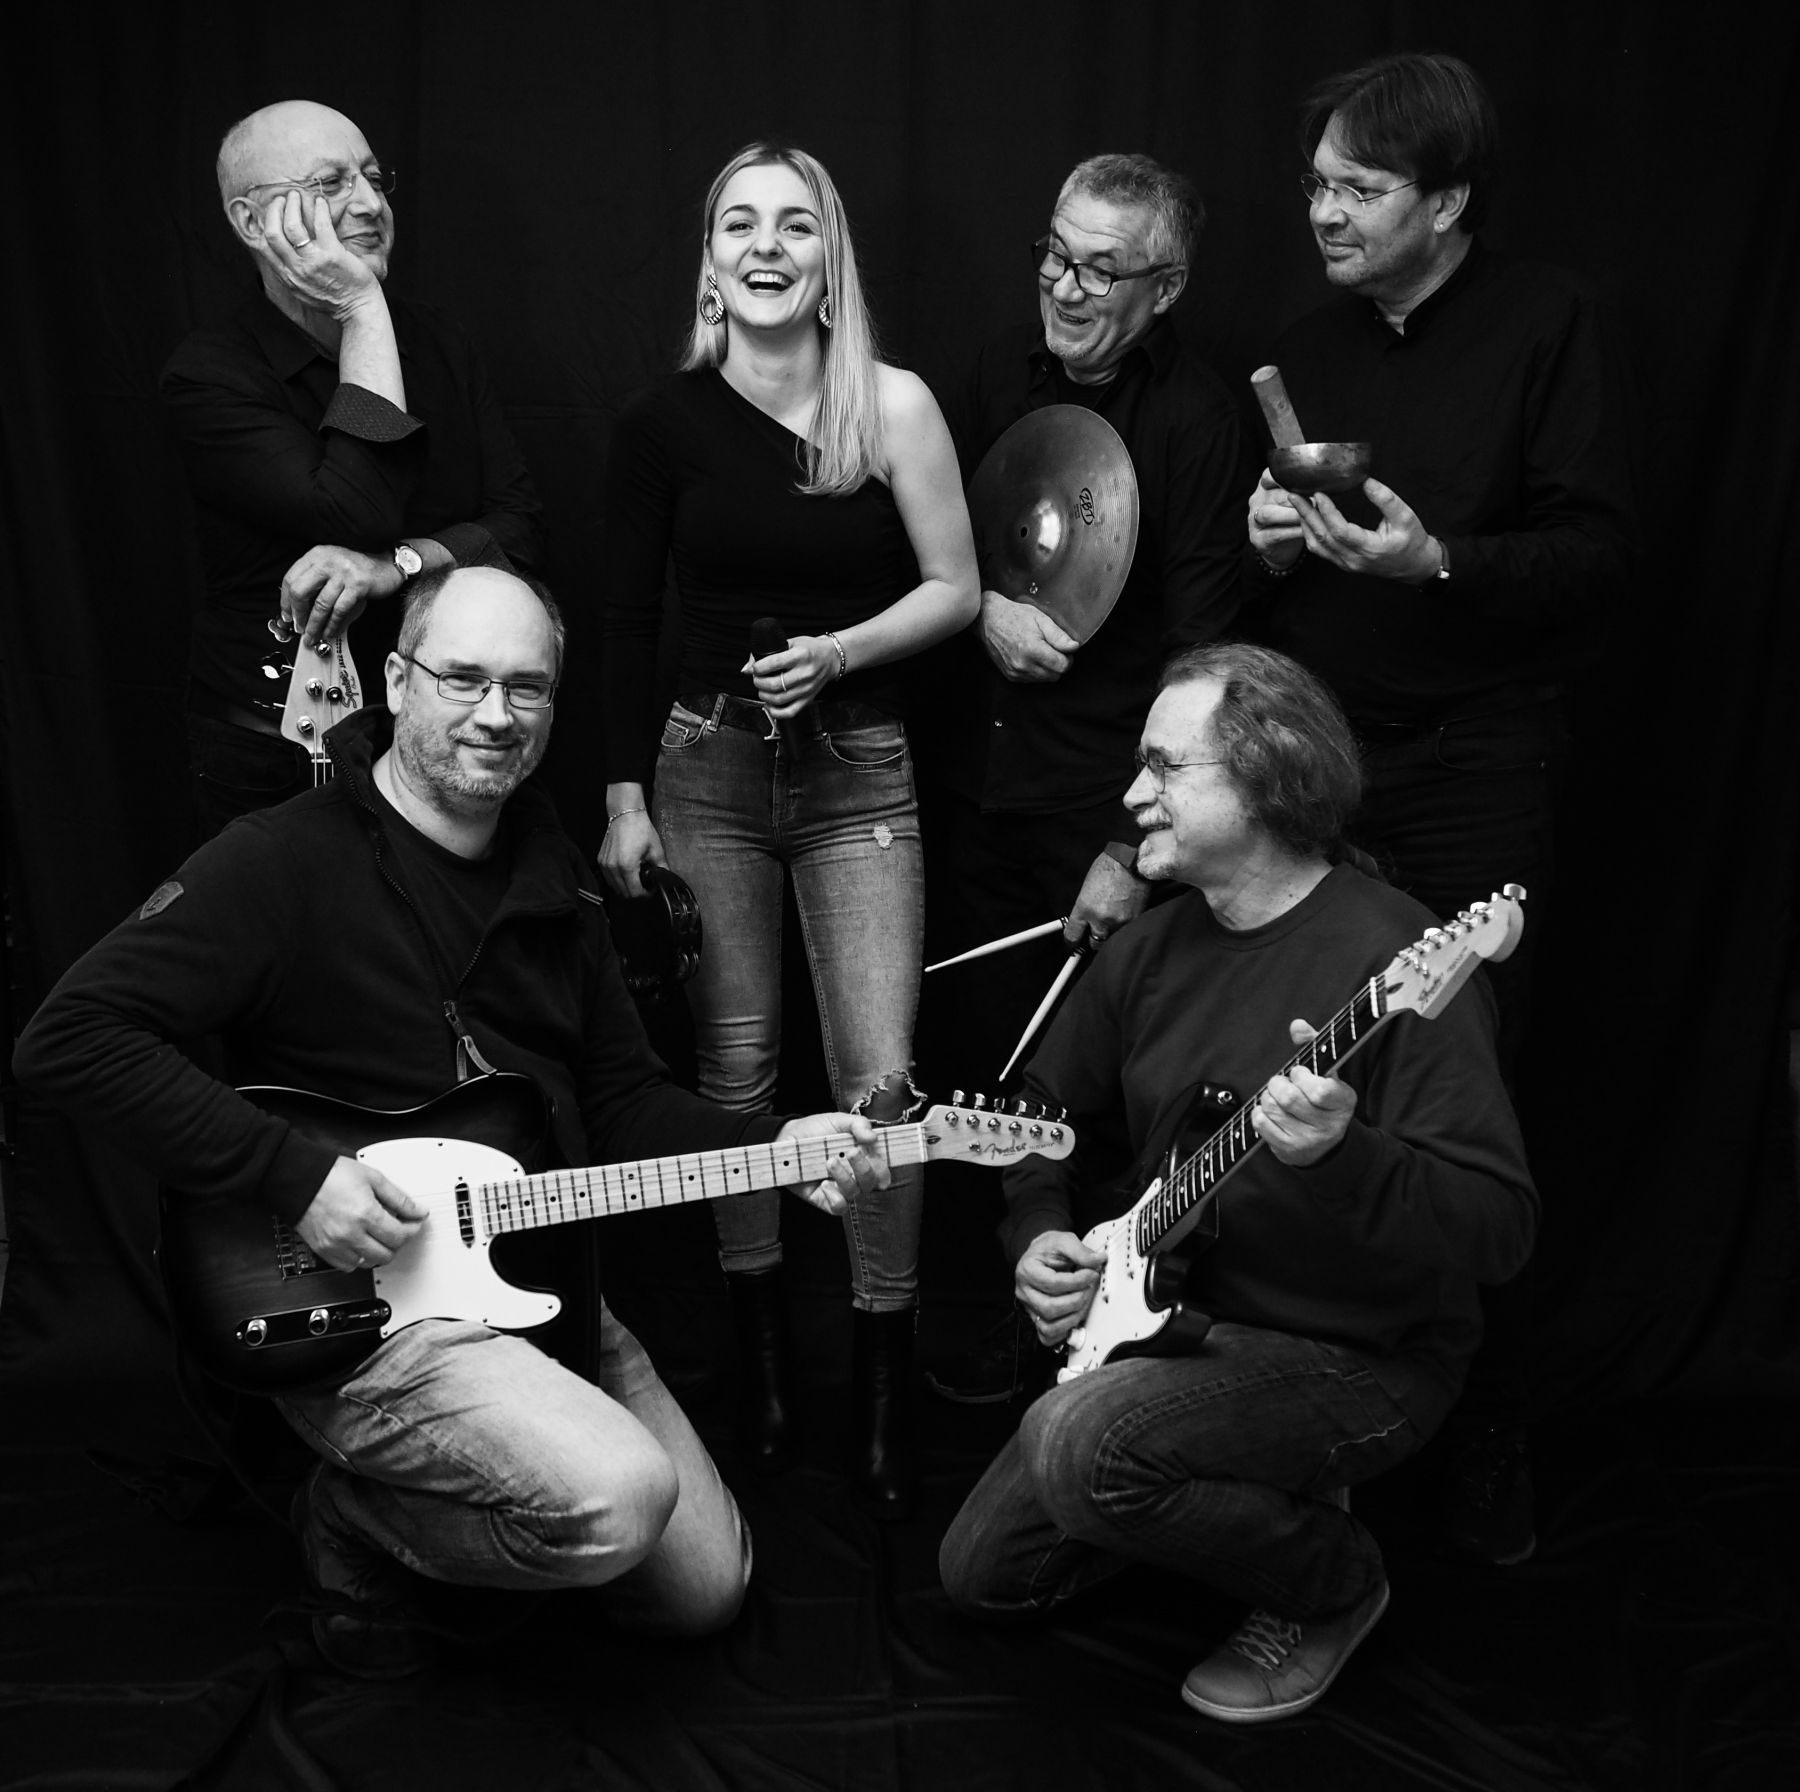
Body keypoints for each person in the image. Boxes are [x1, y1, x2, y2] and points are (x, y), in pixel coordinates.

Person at [13, 565, 891, 1677]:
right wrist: (292, 1175)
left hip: (542, 1285)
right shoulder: (282, 858)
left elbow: (623, 1099)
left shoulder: (559, 881)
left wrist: (769, 1148)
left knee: (704, 1590)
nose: (495, 714)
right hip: (365, 1318)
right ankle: (348, 1517)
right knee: (621, 1500)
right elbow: (68, 1036)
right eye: (463, 678)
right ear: (397, 679)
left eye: (527, 687)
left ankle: (444, 1501)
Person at [938, 642, 1536, 1724]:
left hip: (1360, 1354)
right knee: (982, 1574)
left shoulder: (1398, 958)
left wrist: (1347, 1156)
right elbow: (1034, 1119)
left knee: (1076, 1443)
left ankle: (1335, 1580)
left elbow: (1501, 1231)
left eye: (1163, 767)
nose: (1133, 797)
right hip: (1177, 1329)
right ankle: (1221, 1482)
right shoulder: (1149, 951)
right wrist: (1036, 1232)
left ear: (1267, 778)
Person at [1243, 51, 1636, 1563]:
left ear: (1450, 201)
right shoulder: (1302, 348)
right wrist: (1272, 541)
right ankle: (1318, 1412)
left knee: (1466, 1099)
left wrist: (1441, 563)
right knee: (1312, 1082)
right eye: (1316, 184)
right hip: (1330, 780)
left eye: (1360, 187)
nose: (1325, 213)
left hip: (1478, 771)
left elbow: (1600, 557)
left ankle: (1485, 1427)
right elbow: (1281, 588)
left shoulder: (1548, 321)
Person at [598, 143, 979, 1518]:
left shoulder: (892, 403)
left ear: (830, 258)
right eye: (741, 225)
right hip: (703, 772)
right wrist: (622, 800)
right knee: (737, 1073)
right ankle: (759, 1358)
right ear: (711, 260)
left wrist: (838, 653)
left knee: (880, 1081)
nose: (768, 246)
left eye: (796, 225)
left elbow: (957, 587)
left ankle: (882, 1377)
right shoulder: (662, 424)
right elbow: (623, 619)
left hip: (858, 768)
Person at [917, 153, 1249, 1403]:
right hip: (969, 789)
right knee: (975, 1068)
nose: (1063, 286)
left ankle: (1086, 1345)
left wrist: (1129, 845)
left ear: (1165, 287)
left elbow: (1207, 649)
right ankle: (996, 1310)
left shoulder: (1198, 421)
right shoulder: (990, 374)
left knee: (1081, 1086)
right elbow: (920, 544)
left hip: (1095, 811)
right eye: (1055, 254)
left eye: (1100, 270)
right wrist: (984, 606)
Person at [166, 99, 542, 840]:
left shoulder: (438, 343)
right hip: (278, 746)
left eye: (373, 177)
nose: (371, 203)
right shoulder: (209, 375)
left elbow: (521, 528)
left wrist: (396, 566)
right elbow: (355, 510)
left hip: (440, 737)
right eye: (331, 183)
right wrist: (362, 309)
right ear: (252, 222)